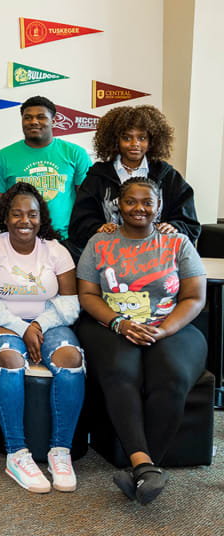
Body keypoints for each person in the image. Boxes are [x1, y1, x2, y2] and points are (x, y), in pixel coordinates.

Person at [76, 177, 206, 505]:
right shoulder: (99, 243)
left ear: (159, 206)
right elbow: (88, 294)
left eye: (147, 202)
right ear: (118, 206)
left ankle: (143, 468)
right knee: (121, 372)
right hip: (110, 324)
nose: (139, 208)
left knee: (173, 375)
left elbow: (194, 297)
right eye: (131, 201)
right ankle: (146, 468)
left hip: (169, 326)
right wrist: (118, 323)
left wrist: (162, 331)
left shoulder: (178, 244)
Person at [0, 182, 84, 494]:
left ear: (41, 218)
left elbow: (70, 304)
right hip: (0, 322)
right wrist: (22, 328)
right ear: (5, 218)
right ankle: (17, 453)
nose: (24, 221)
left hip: (49, 322)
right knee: (10, 358)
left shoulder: (56, 251)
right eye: (16, 214)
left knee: (71, 359)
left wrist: (39, 325)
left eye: (31, 214)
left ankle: (61, 451)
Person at [69, 105, 199, 256]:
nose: (134, 144)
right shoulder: (98, 176)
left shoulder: (167, 176)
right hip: (110, 255)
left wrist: (175, 227)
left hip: (158, 255)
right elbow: (80, 222)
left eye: (142, 138)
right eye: (126, 138)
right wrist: (98, 228)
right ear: (115, 141)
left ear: (152, 141)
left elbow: (189, 223)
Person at [0, 96, 92, 256]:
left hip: (66, 240)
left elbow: (87, 200)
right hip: (21, 240)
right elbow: (0, 203)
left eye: (41, 117)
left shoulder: (75, 153)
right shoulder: (2, 157)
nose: (34, 121)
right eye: (28, 117)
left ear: (53, 121)